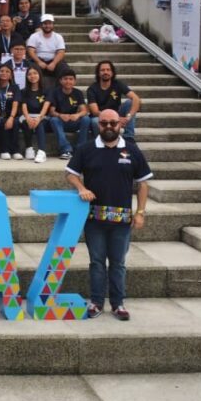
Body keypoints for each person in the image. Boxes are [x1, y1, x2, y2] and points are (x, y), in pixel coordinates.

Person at [66, 108, 153, 321]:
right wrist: (81, 188)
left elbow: (143, 184)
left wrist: (140, 212)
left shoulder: (132, 150)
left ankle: (118, 304)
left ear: (120, 124)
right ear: (98, 125)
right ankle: (96, 302)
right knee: (96, 262)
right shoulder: (86, 149)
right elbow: (70, 174)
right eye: (104, 123)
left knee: (118, 263)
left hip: (122, 220)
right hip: (94, 219)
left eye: (113, 123)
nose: (108, 127)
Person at [88, 60, 142, 141]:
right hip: (100, 117)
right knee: (95, 121)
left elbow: (136, 98)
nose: (105, 72)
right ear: (98, 73)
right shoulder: (92, 89)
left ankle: (129, 137)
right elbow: (95, 111)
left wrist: (128, 116)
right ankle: (102, 141)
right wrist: (115, 119)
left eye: (108, 70)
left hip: (117, 113)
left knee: (130, 103)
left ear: (112, 73)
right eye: (102, 70)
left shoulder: (117, 84)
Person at [48, 68, 91, 159]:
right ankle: (66, 149)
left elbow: (84, 110)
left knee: (86, 119)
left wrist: (77, 115)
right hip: (60, 122)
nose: (68, 81)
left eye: (71, 79)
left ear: (74, 81)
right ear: (60, 81)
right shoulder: (55, 92)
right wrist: (60, 115)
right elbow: (51, 111)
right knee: (53, 120)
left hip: (73, 121)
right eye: (65, 79)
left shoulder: (78, 93)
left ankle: (80, 149)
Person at [27, 14, 68, 88]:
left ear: (53, 24)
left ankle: (60, 90)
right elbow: (31, 51)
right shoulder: (34, 36)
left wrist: (54, 63)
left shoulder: (58, 37)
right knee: (32, 68)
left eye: (50, 23)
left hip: (54, 60)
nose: (47, 26)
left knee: (64, 69)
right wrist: (39, 62)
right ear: (41, 25)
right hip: (38, 60)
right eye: (45, 23)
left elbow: (61, 52)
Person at [19, 66, 50, 163]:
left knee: (39, 124)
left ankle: (42, 152)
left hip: (42, 117)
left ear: (39, 75)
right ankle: (29, 148)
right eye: (29, 74)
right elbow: (24, 107)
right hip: (28, 116)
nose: (32, 76)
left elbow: (46, 107)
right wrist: (28, 118)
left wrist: (39, 118)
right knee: (25, 122)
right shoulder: (23, 91)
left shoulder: (47, 90)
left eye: (35, 73)